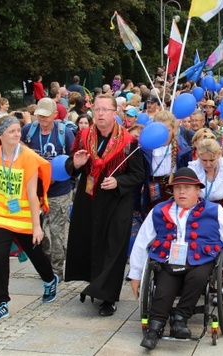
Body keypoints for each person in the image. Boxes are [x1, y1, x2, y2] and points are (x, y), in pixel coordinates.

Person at [128, 167, 223, 350]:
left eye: (187, 187)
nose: (182, 192)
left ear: (197, 190)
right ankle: (155, 328)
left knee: (199, 276)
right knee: (164, 285)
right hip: (170, 260)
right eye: (177, 188)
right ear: (172, 191)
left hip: (201, 260)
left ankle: (180, 318)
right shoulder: (159, 211)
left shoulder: (215, 211)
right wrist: (136, 275)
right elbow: (142, 241)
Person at [64, 94, 145, 316]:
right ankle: (94, 285)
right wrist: (76, 164)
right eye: (96, 110)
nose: (100, 114)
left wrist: (119, 181)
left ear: (114, 113)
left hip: (116, 201)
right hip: (89, 198)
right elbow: (72, 164)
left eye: (105, 110)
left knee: (113, 247)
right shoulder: (83, 136)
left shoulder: (129, 142)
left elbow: (138, 174)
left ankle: (108, 297)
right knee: (90, 242)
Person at [0, 116, 58, 322]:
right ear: (1, 135)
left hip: (25, 216)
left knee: (36, 254)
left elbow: (32, 194)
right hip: (0, 216)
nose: (17, 134)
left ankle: (49, 279)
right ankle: (1, 303)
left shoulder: (27, 157)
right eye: (12, 131)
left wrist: (37, 227)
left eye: (18, 130)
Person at [21, 98, 75, 280]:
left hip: (58, 191)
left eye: (45, 115)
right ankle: (46, 266)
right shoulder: (29, 131)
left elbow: (72, 161)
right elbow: (20, 152)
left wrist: (56, 175)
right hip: (35, 192)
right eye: (39, 115)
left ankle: (57, 271)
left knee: (57, 233)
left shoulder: (64, 133)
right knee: (39, 232)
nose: (42, 119)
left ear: (54, 115)